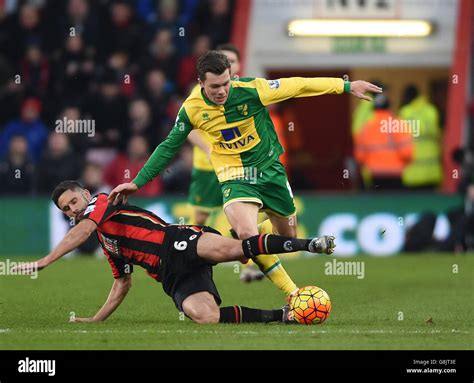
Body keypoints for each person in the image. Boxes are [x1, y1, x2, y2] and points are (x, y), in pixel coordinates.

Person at [108, 51, 381, 300]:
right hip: (234, 174)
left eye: (226, 83)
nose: (222, 91)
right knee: (248, 236)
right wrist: (137, 181)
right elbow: (169, 146)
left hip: (270, 170)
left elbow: (298, 85)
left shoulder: (252, 89)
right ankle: (293, 293)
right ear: (201, 82)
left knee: (287, 236)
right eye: (215, 86)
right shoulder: (191, 108)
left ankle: (260, 226)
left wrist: (346, 86)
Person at [13, 180, 336, 324]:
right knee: (204, 317)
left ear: (84, 194)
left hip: (178, 241)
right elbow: (122, 284)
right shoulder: (109, 243)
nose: (73, 208)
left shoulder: (101, 202)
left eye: (73, 200)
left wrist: (43, 262)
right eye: (67, 208)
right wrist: (96, 320)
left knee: (237, 250)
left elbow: (81, 231)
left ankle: (312, 245)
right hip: (172, 273)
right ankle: (284, 316)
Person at [186, 43, 265, 283]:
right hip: (207, 166)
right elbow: (185, 130)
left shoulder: (246, 90)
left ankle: (249, 267)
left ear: (237, 66)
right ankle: (187, 258)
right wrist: (208, 148)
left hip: (239, 166)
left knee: (249, 217)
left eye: (232, 61)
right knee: (199, 218)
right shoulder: (198, 93)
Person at [354, 93, 413, 189]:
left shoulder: (367, 127)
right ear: (388, 106)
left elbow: (360, 157)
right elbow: (407, 153)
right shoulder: (398, 124)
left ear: (374, 107)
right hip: (396, 174)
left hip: (375, 175)